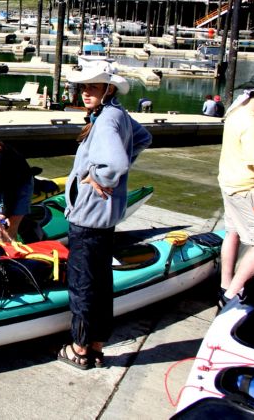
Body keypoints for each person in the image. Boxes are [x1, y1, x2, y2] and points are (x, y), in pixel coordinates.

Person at [58, 61, 152, 370]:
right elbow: (143, 138)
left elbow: (115, 164)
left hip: (88, 216)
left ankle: (80, 349)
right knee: (99, 281)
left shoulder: (107, 120)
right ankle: (97, 344)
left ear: (108, 89)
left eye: (93, 87)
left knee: (83, 283)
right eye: (84, 87)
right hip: (104, 217)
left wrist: (99, 177)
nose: (86, 92)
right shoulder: (116, 114)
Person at [217, 73, 254, 308]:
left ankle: (224, 283)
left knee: (233, 232)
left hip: (229, 184)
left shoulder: (235, 113)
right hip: (248, 190)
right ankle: (231, 293)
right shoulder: (253, 124)